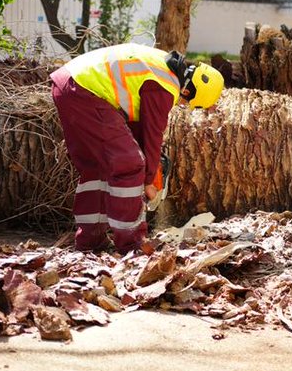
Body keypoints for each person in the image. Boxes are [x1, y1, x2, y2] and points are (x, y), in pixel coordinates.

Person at [50, 44, 224, 253]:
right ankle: (131, 244)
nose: (180, 103)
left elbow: (136, 130)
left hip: (68, 86)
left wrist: (150, 169)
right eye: (185, 101)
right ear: (188, 90)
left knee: (96, 168)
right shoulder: (165, 85)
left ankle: (90, 240)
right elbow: (153, 135)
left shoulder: (160, 67)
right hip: (85, 91)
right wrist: (149, 180)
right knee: (129, 164)